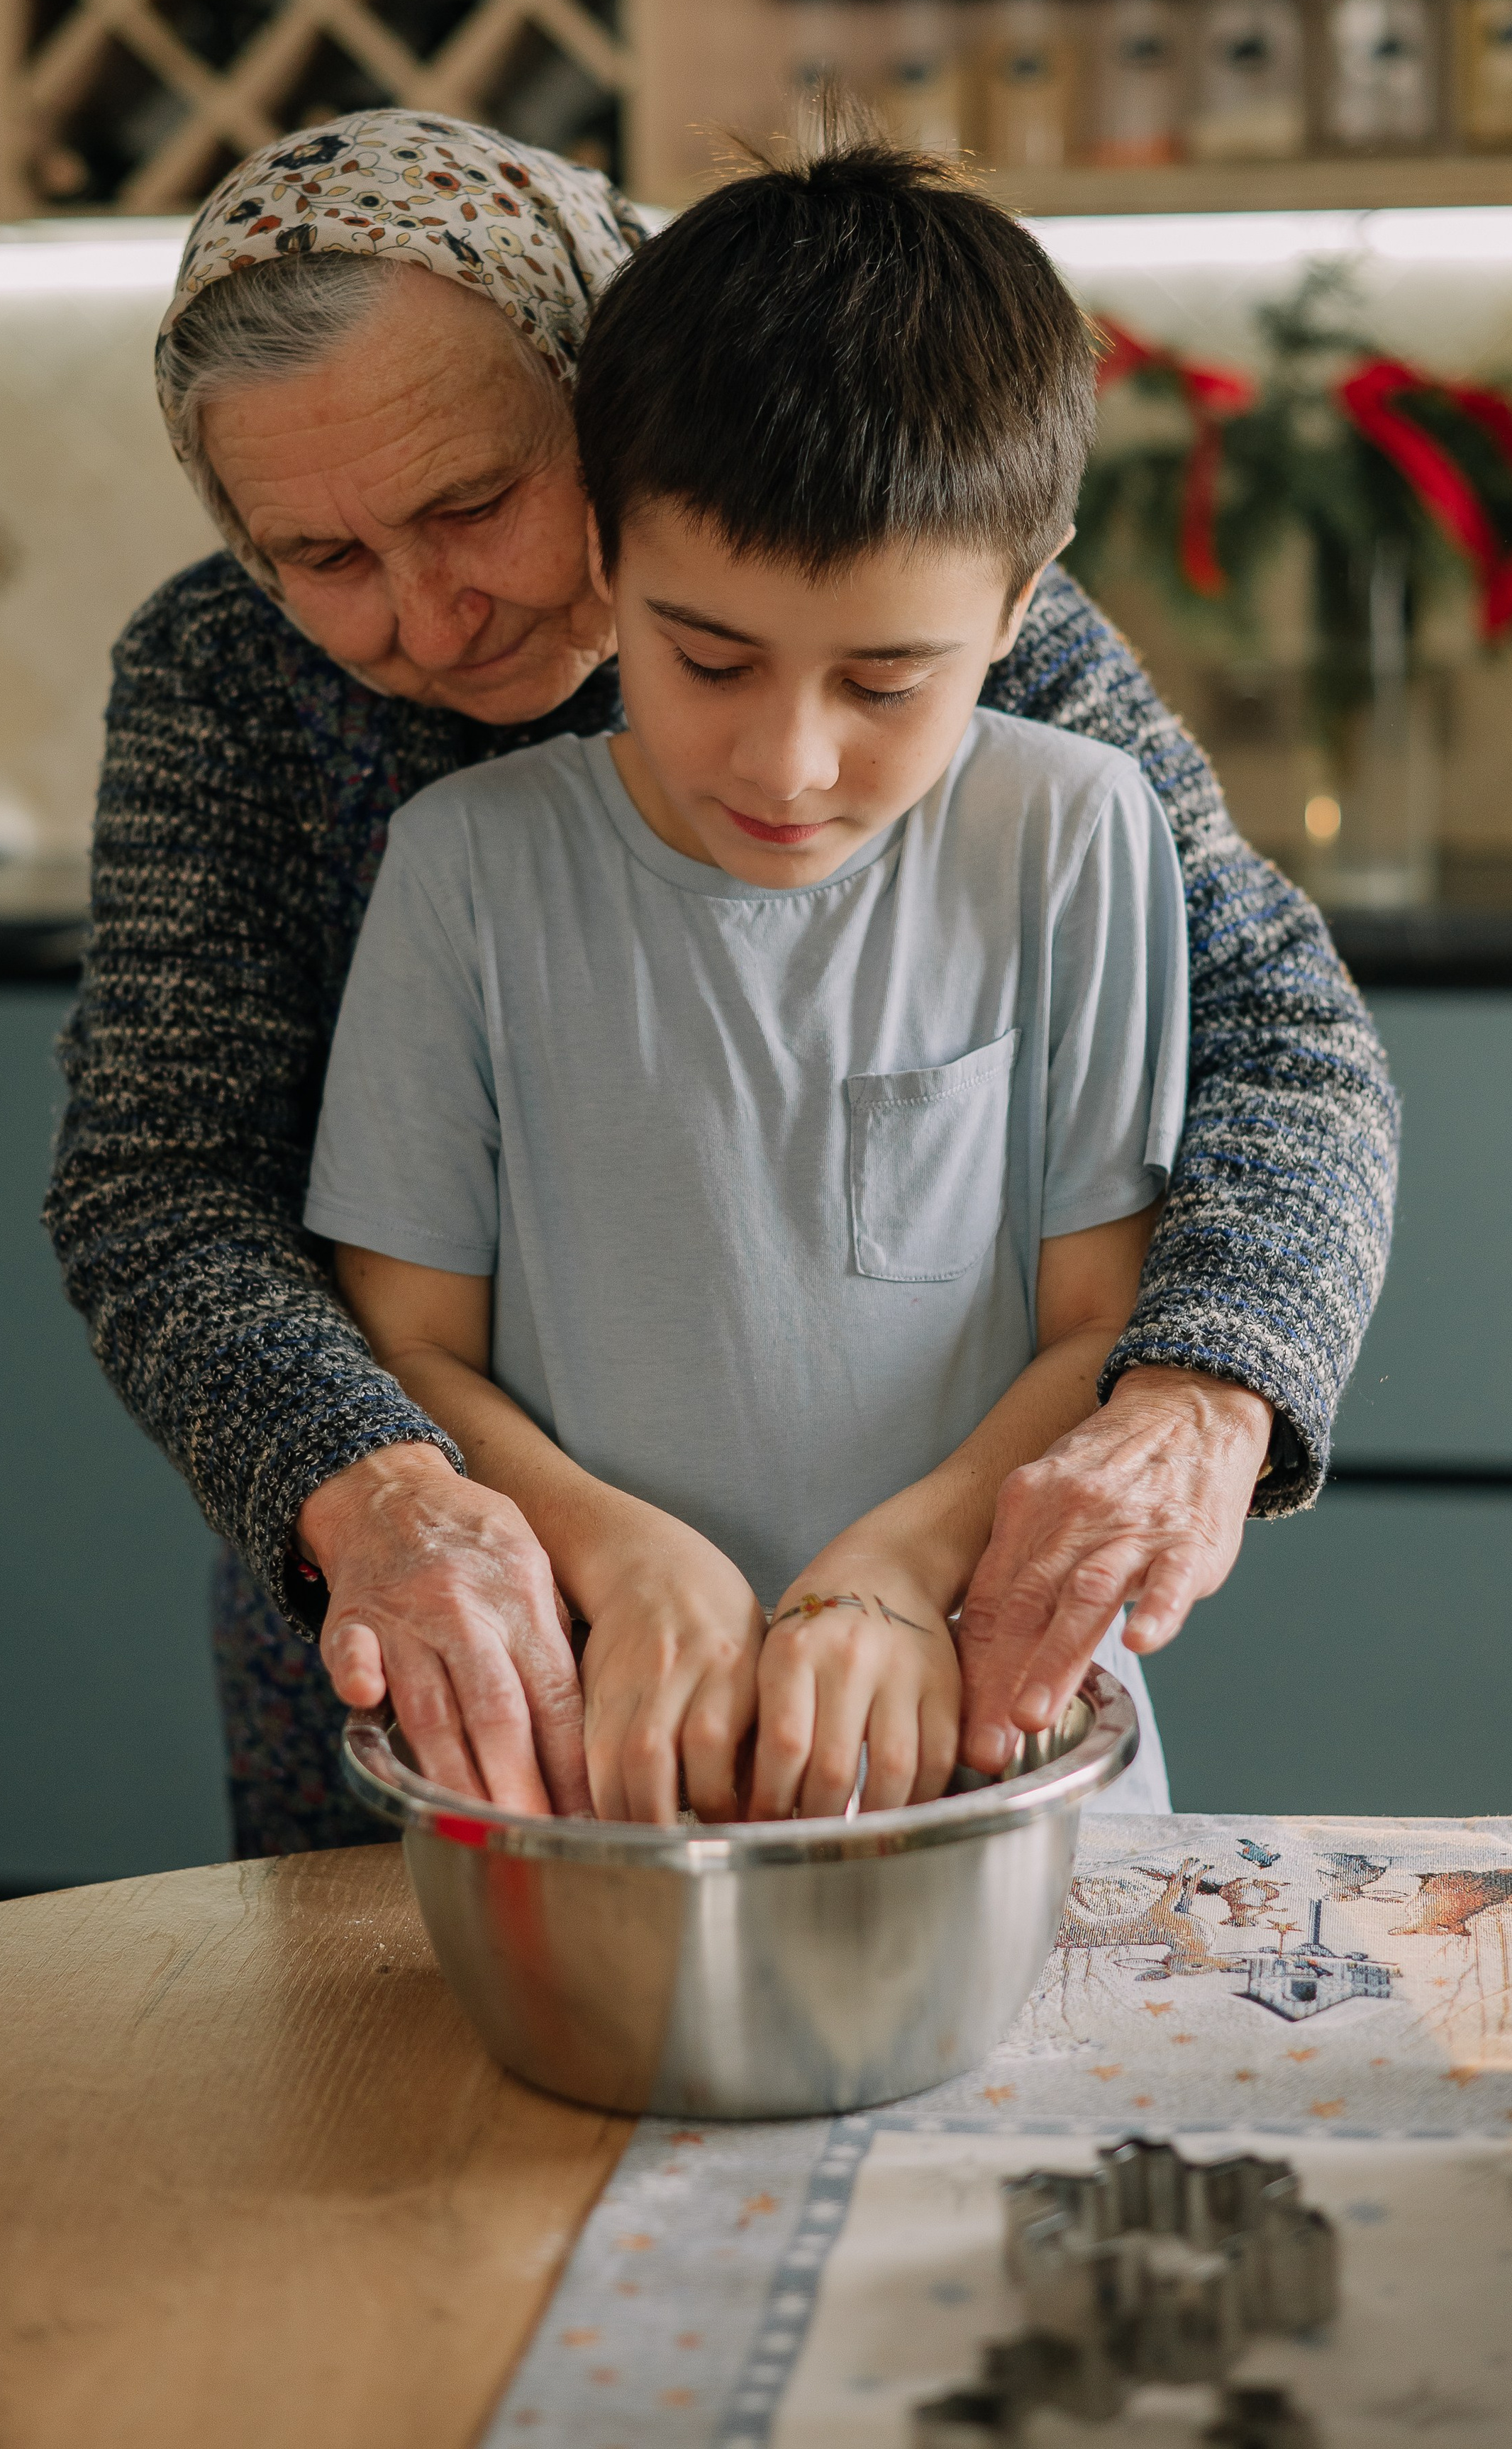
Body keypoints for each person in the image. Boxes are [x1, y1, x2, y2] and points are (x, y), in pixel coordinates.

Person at [43, 109, 1399, 1855]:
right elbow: (161, 1184)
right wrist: (389, 1501)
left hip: (933, 1689)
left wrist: (1195, 1392)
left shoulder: (893, 579)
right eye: (323, 558)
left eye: (473, 504)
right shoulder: (229, 691)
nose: (432, 616)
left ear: (602, 418)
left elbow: (1278, 1036)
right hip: (463, 1647)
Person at [305, 140, 1186, 1818]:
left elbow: (1103, 1324)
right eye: (706, 657)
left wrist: (901, 1567)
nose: (788, 760)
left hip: (987, 1754)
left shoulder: (1073, 835)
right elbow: (406, 1344)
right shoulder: (468, 869)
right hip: (592, 1763)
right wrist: (619, 1555)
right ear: (598, 546)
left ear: (1019, 594)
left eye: (882, 680)